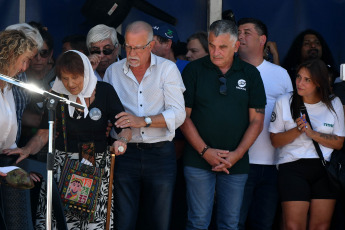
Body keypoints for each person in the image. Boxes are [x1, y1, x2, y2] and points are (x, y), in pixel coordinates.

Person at [4, 50, 132, 229]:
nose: (70, 84)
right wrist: (26, 149)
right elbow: (43, 134)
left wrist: (122, 141)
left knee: (92, 223)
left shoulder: (105, 91)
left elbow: (124, 127)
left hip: (95, 165)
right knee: (58, 219)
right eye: (64, 78)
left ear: (86, 73)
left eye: (75, 77)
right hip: (61, 166)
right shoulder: (56, 96)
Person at [180, 19, 266, 230]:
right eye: (211, 45)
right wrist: (205, 151)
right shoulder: (193, 71)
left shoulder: (251, 74)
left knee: (230, 223)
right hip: (198, 160)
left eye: (222, 46)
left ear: (236, 46)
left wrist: (237, 154)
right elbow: (183, 117)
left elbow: (257, 120)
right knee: (198, 222)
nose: (215, 52)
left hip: (235, 162)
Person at [103, 21, 186, 230]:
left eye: (137, 47)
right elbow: (107, 114)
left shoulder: (167, 69)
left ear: (150, 46)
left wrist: (144, 121)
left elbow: (179, 114)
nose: (131, 52)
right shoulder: (113, 72)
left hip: (160, 154)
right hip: (124, 154)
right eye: (128, 46)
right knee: (123, 221)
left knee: (159, 222)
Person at [269, 58, 345, 230]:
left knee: (321, 226)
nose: (299, 83)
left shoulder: (334, 103)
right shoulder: (284, 101)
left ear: (318, 82)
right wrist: (297, 130)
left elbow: (339, 142)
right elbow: (274, 140)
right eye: (298, 77)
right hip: (292, 167)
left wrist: (312, 133)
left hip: (324, 168)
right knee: (293, 226)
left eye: (307, 79)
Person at [236, 17, 293, 230]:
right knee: (234, 223)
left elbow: (290, 118)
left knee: (263, 224)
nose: (240, 36)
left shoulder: (281, 74)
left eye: (246, 32)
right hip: (237, 163)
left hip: (272, 165)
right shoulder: (229, 72)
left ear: (263, 40)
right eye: (238, 32)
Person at [0, 29, 38, 230]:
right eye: (23, 60)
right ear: (9, 55)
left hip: (5, 164)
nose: (24, 68)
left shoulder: (8, 88)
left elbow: (9, 136)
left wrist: (17, 165)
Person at [4, 23, 43, 144]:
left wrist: (46, 122)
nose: (25, 67)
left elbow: (18, 113)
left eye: (29, 59)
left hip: (10, 148)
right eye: (25, 58)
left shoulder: (22, 76)